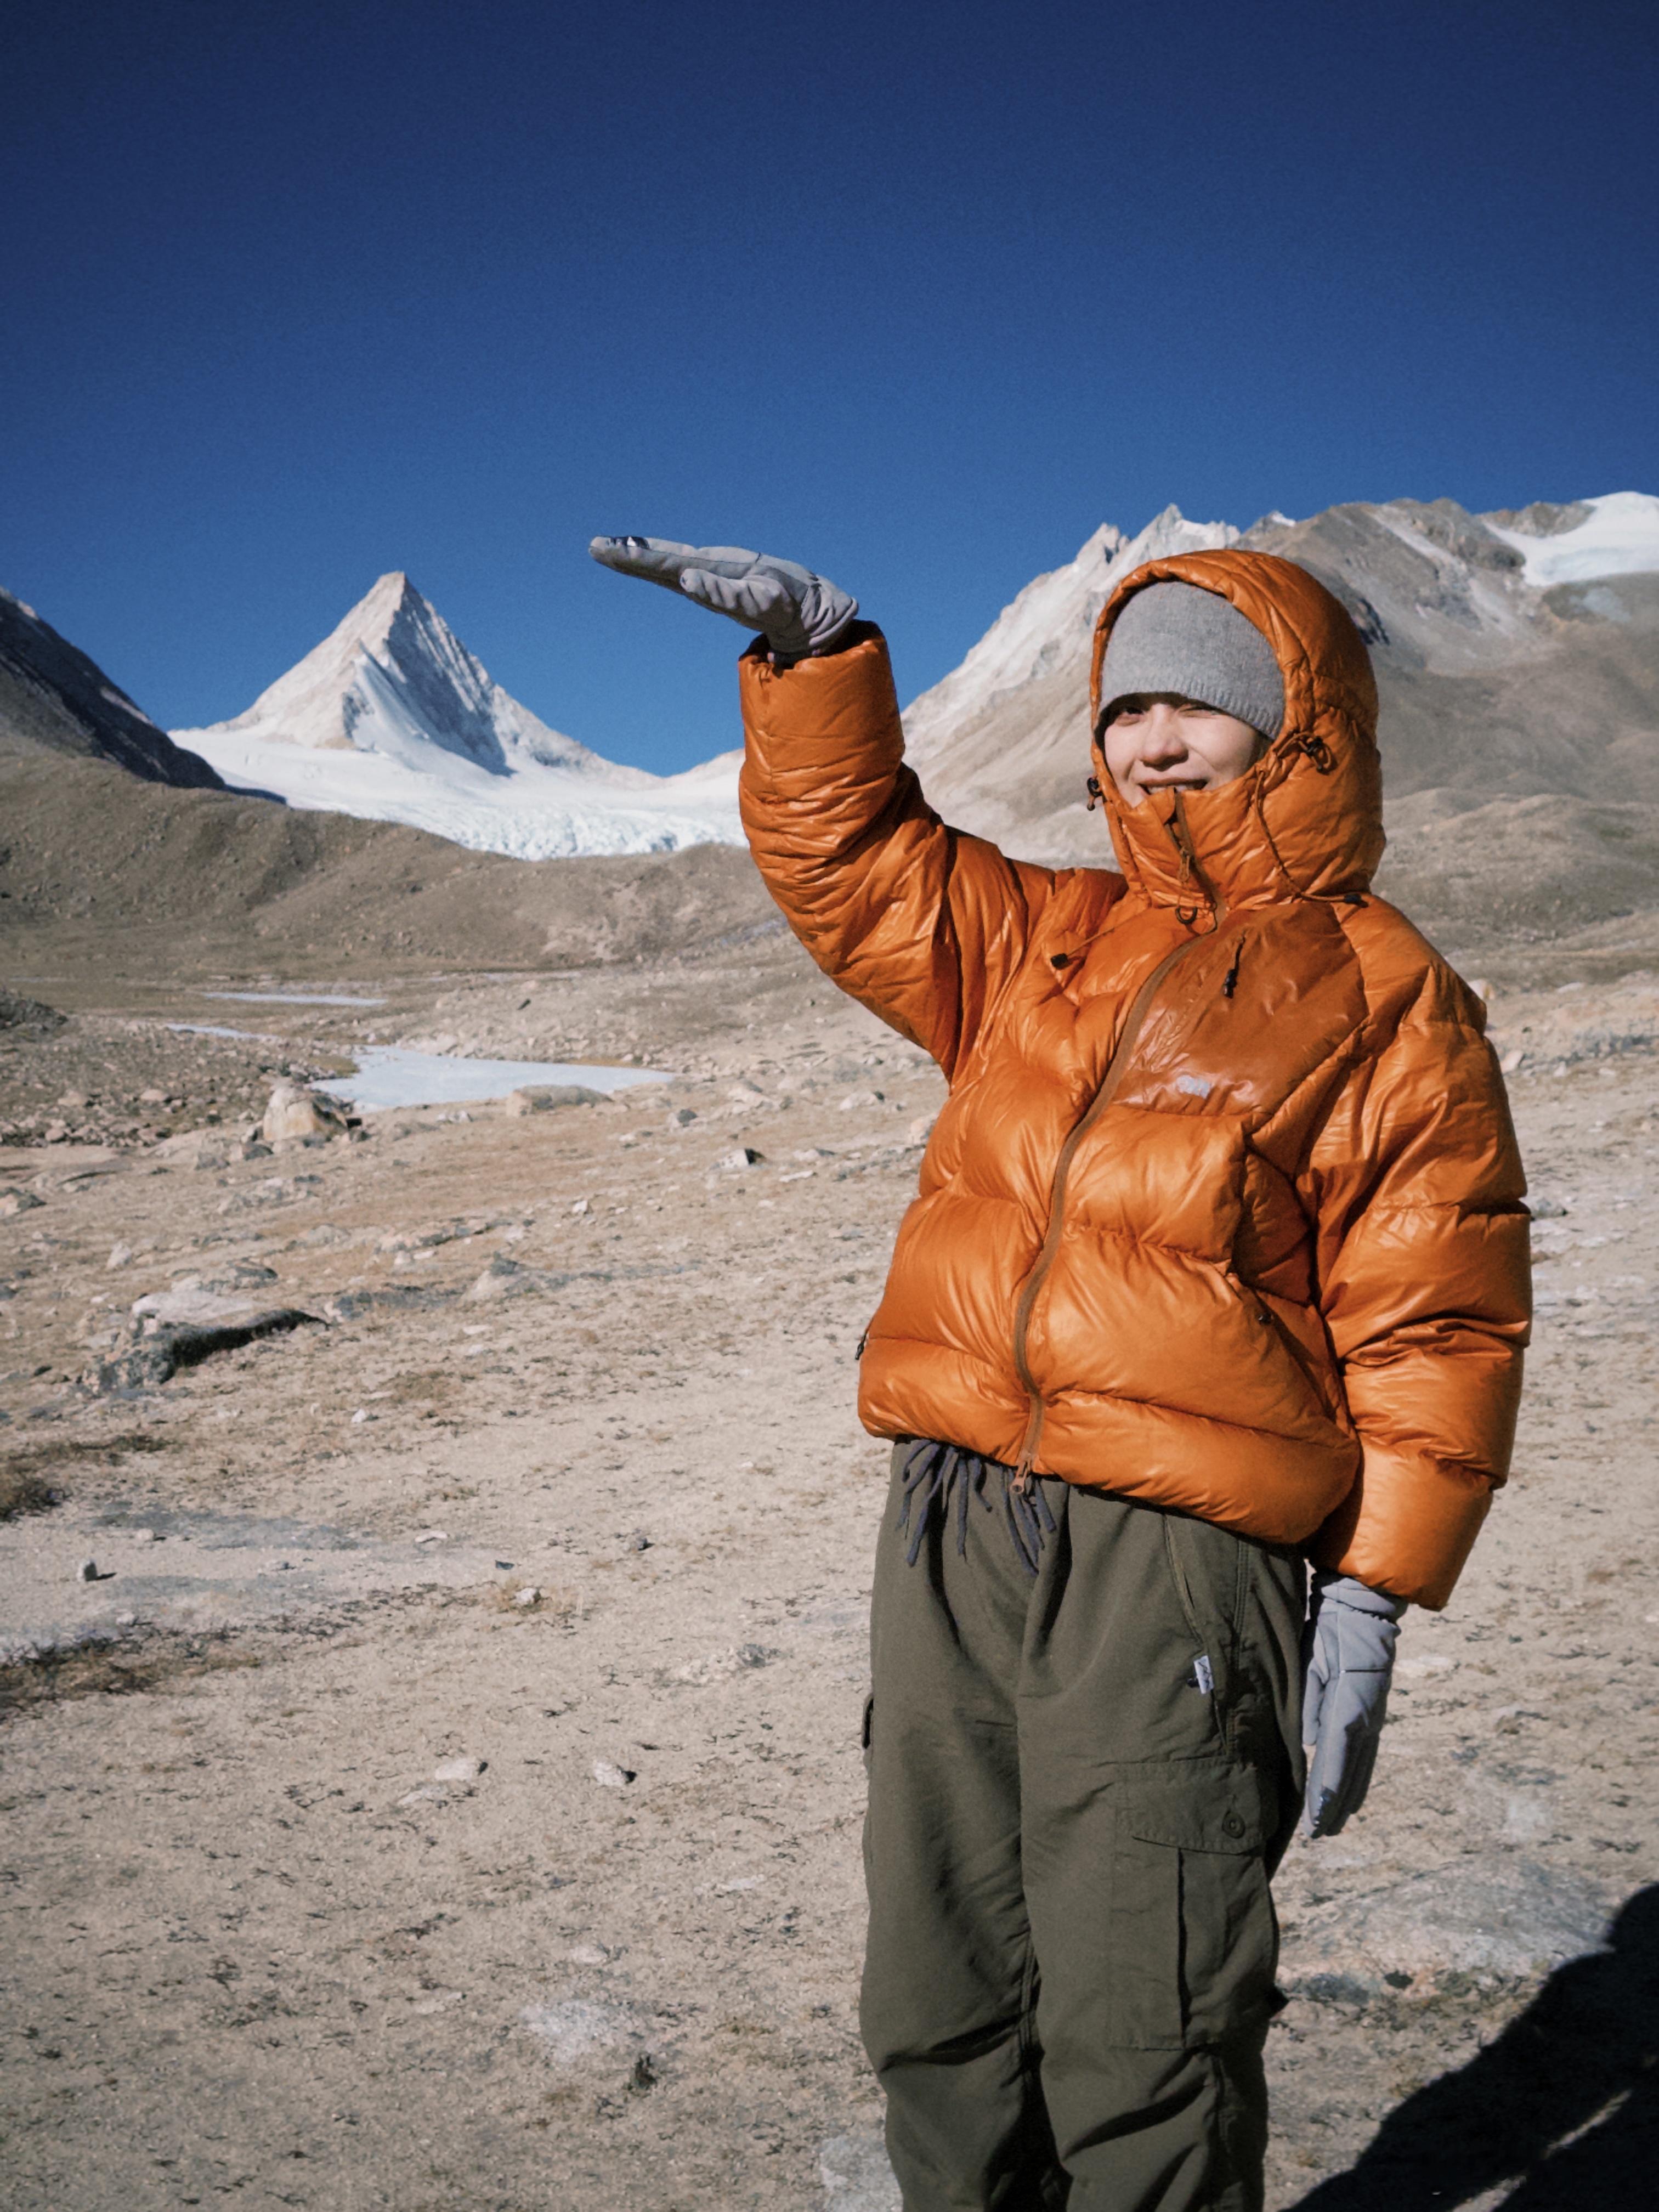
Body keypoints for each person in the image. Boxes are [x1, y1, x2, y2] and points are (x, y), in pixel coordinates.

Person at [591, 534, 1530, 2212]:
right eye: (1126, 707)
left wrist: (1377, 1591)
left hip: (1174, 1560)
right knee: (937, 1999)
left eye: (1199, 703)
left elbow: (1434, 1316)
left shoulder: (1388, 995)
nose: (1151, 739)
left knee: (1141, 2016)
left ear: (1297, 726)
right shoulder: (1041, 935)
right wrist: (820, 664)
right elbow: (856, 866)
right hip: (949, 1520)